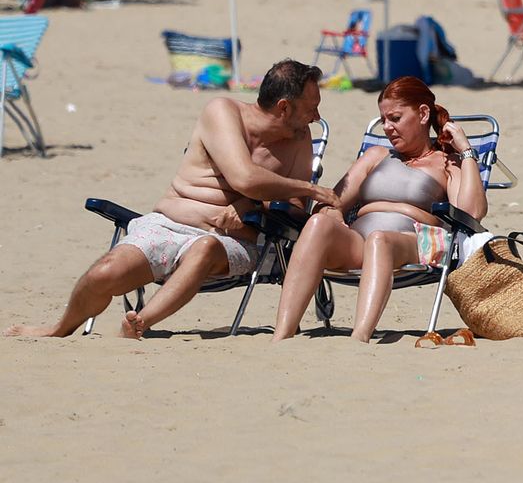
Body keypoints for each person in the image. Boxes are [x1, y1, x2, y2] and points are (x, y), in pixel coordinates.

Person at [7, 60, 334, 339]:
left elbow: (291, 210)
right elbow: (244, 178)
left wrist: (253, 207)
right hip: (167, 226)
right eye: (311, 107)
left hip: (232, 243)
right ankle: (57, 330)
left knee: (203, 248)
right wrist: (312, 189)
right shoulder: (222, 112)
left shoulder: (299, 138)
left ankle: (139, 324)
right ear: (284, 107)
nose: (316, 116)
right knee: (105, 272)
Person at [273, 78, 486, 342]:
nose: (387, 127)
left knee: (380, 239)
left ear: (422, 114)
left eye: (395, 118)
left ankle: (360, 336)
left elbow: (471, 213)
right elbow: (332, 201)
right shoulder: (375, 156)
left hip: (416, 243)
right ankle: (282, 336)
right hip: (360, 244)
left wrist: (465, 152)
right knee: (318, 224)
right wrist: (334, 214)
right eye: (383, 119)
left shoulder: (446, 161)